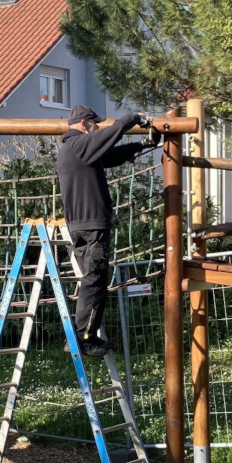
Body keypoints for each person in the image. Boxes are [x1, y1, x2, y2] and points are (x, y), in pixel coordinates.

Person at [56, 104, 156, 355]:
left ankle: (81, 336)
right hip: (92, 226)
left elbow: (110, 155)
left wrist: (142, 145)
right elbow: (108, 135)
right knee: (95, 281)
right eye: (93, 124)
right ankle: (84, 339)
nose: (97, 128)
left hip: (80, 225)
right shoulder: (78, 144)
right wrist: (132, 118)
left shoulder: (72, 150)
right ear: (82, 124)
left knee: (92, 279)